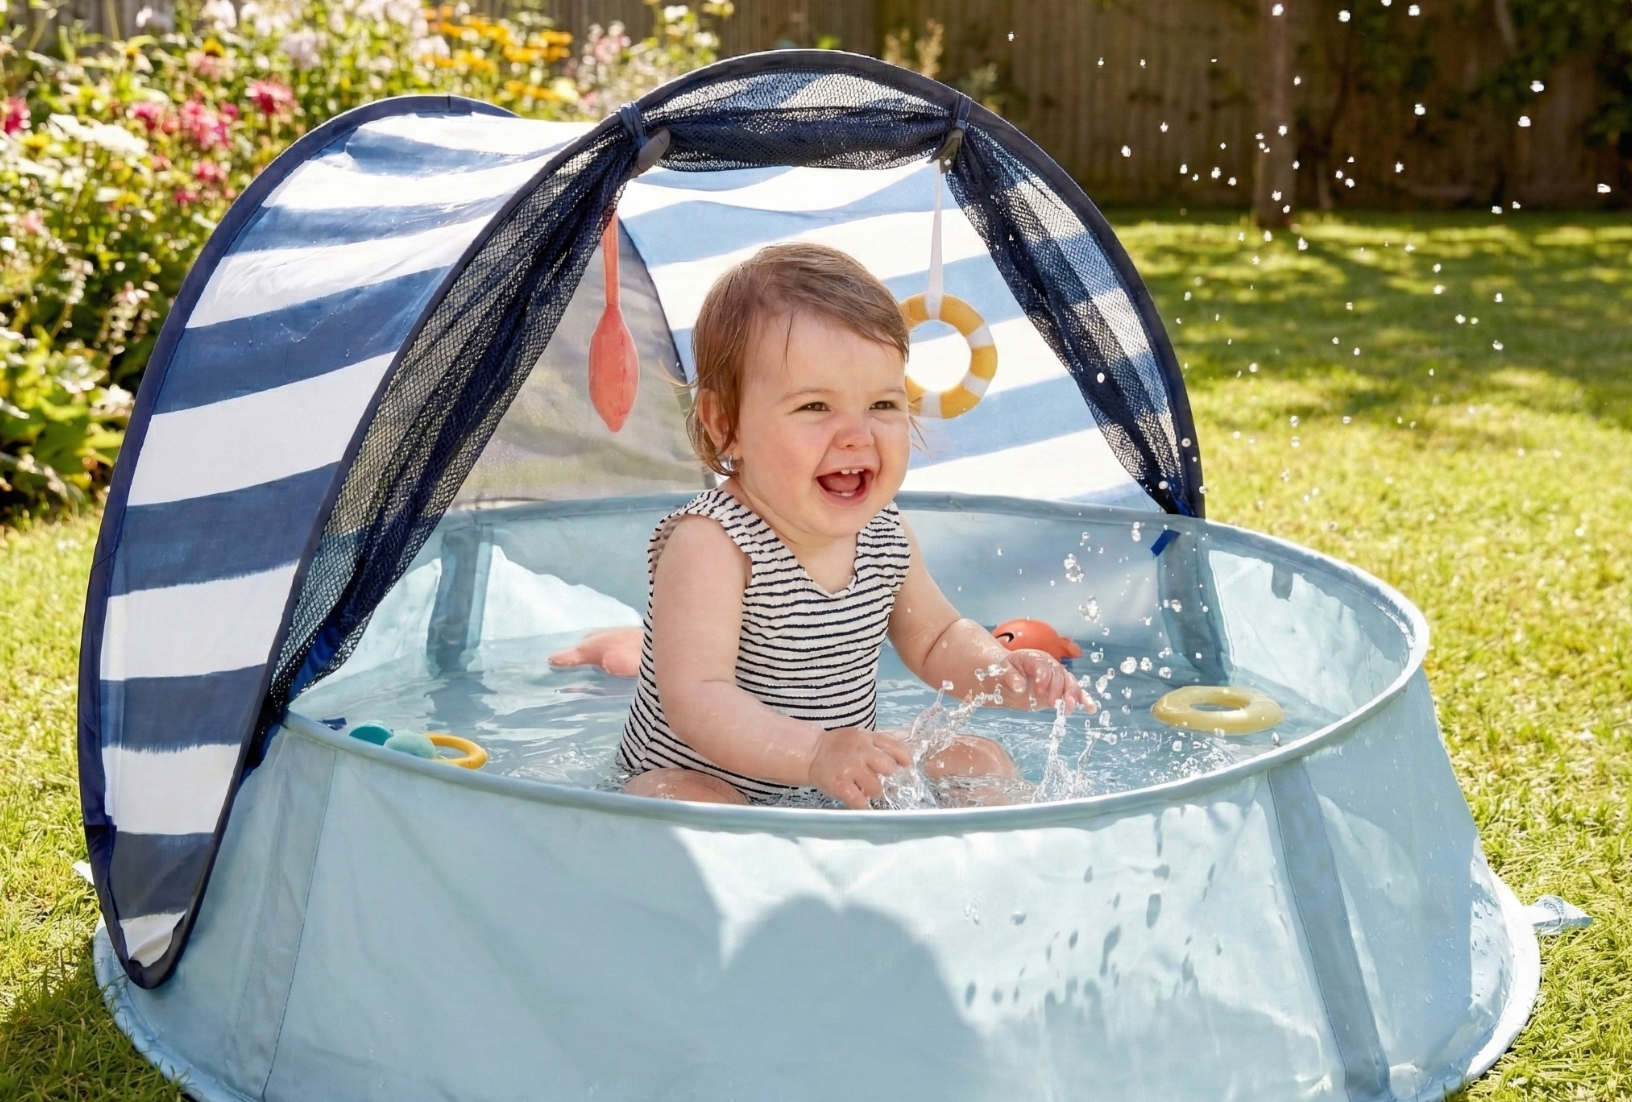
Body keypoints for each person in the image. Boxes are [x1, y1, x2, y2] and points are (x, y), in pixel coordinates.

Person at [551, 242, 1091, 807]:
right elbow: (698, 699)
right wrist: (814, 753)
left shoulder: (883, 533)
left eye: (883, 405)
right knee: (685, 799)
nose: (857, 435)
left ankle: (990, 854)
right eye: (815, 407)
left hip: (836, 771)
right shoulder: (712, 543)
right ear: (725, 424)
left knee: (979, 757)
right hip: (711, 777)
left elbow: (936, 639)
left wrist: (1000, 671)